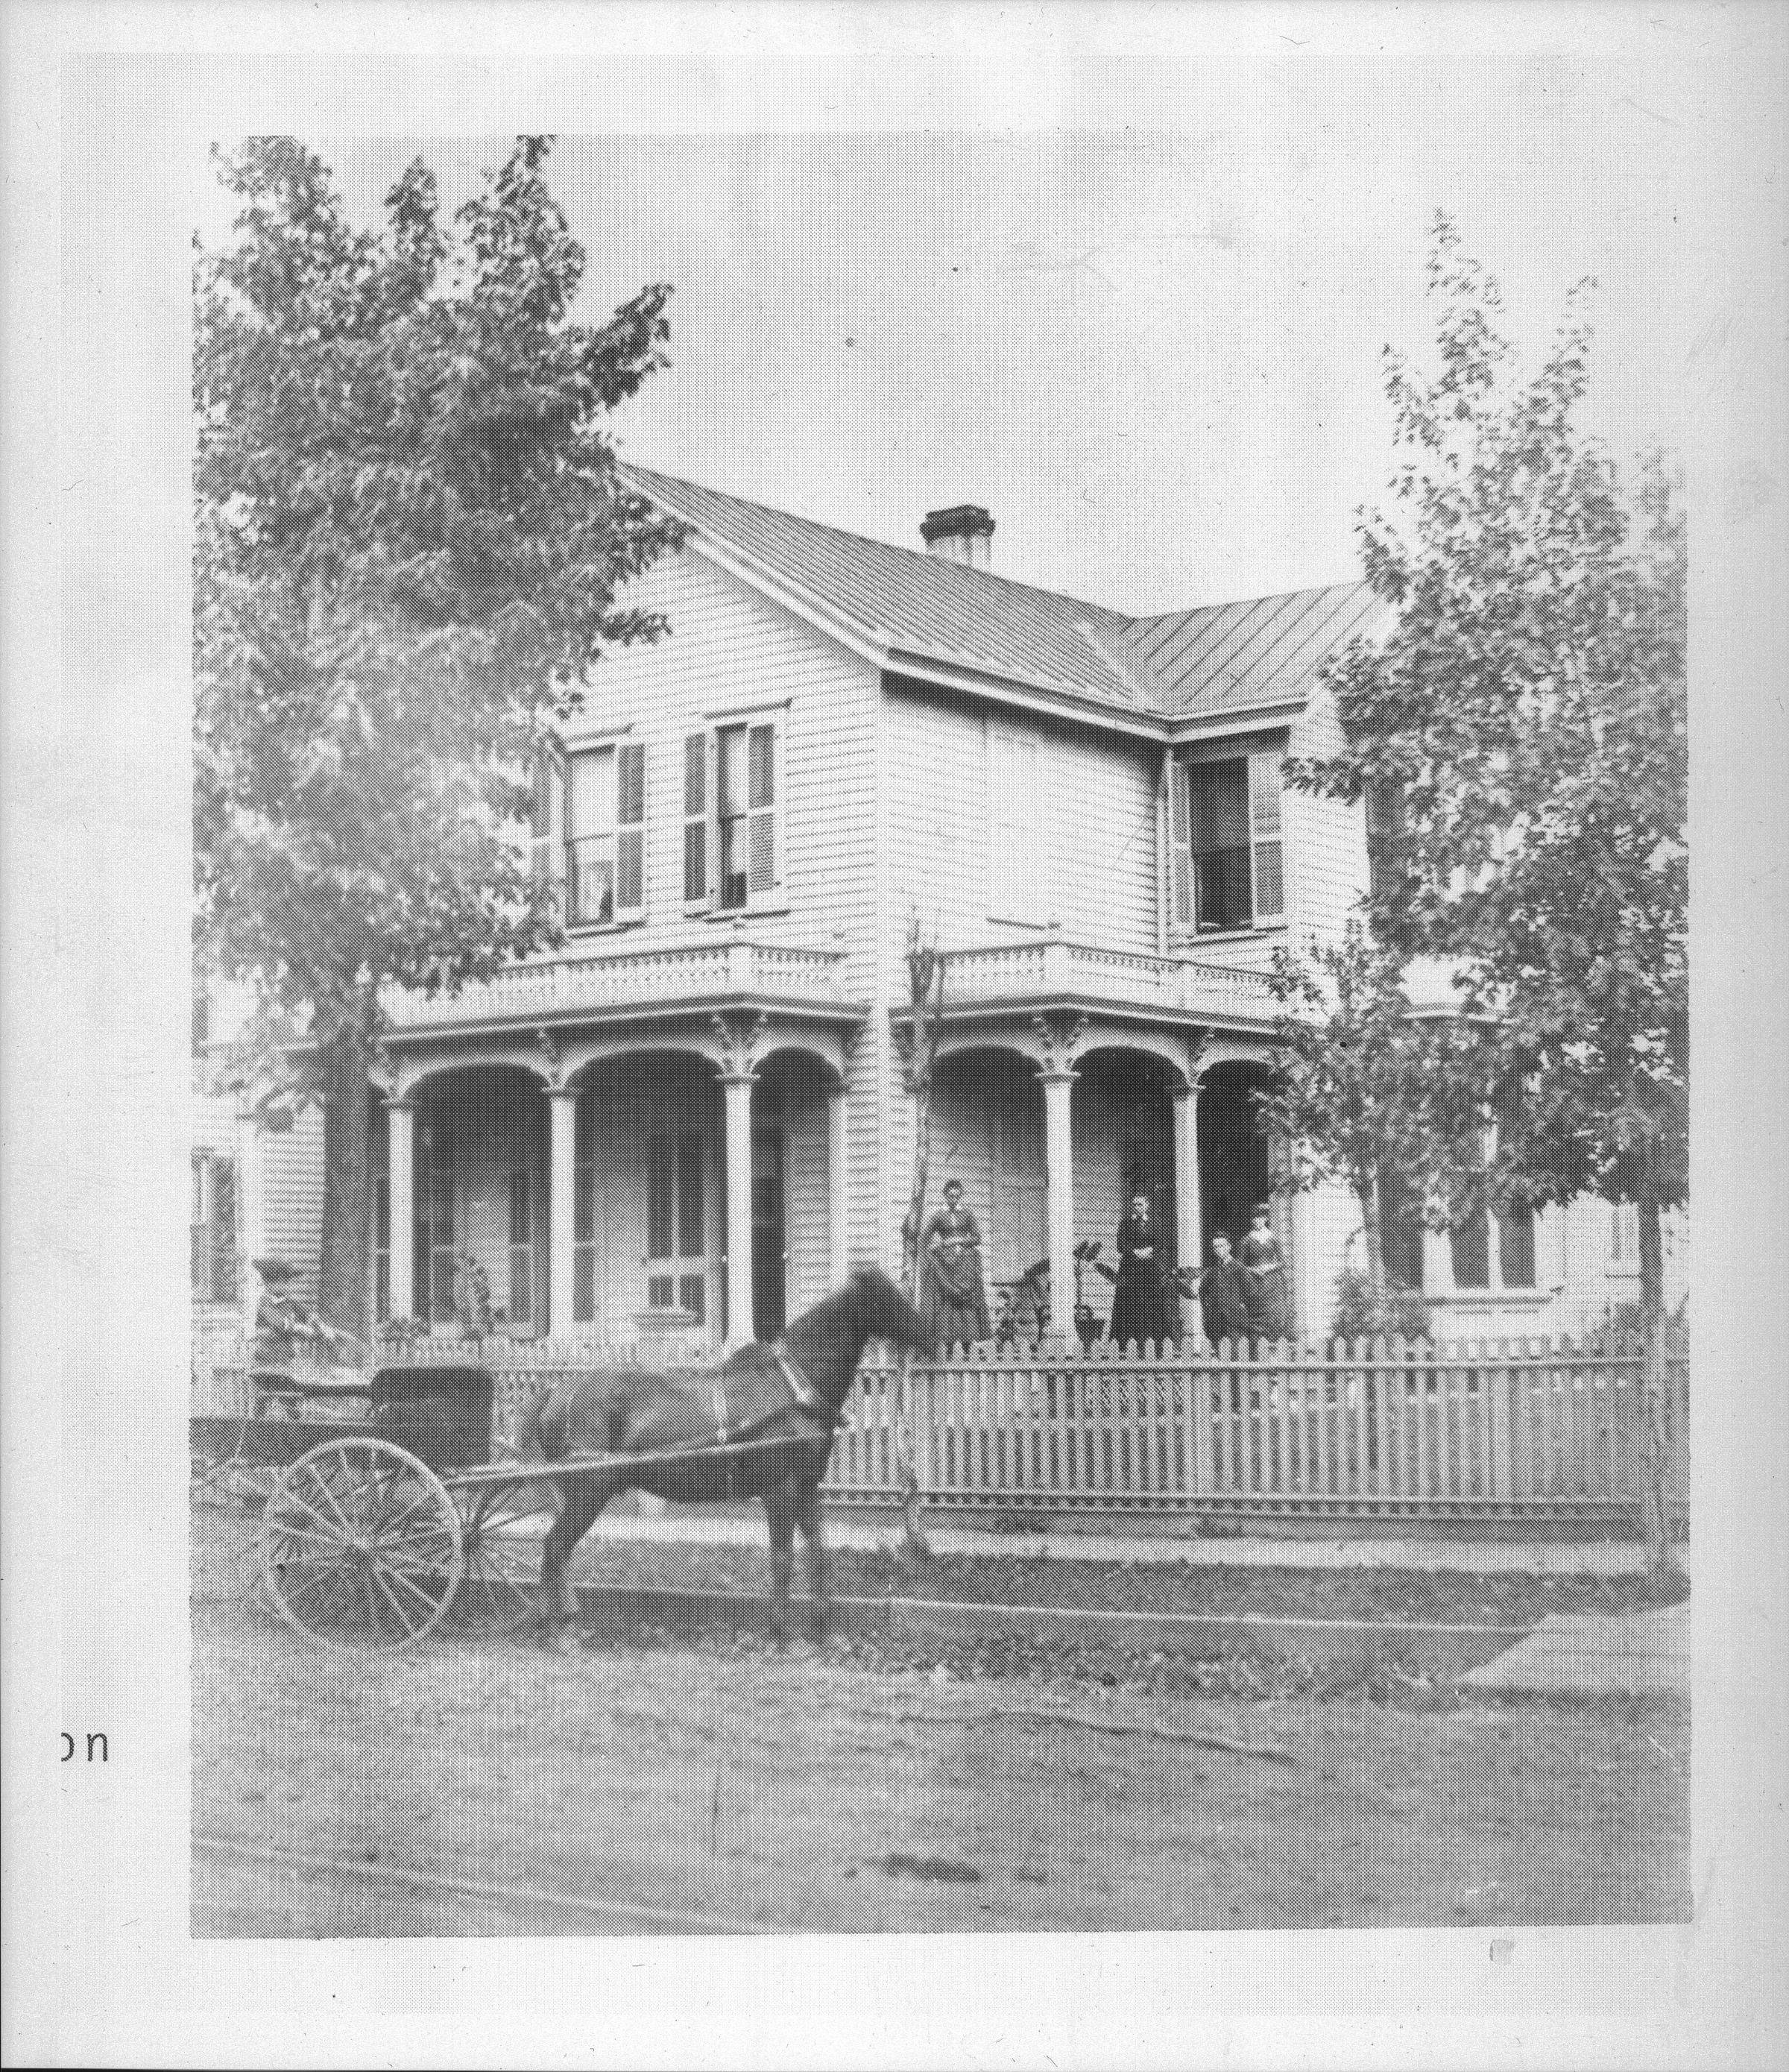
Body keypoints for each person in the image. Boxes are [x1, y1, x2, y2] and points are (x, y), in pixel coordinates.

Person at [919, 1180, 991, 1352]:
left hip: (964, 1263)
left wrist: (958, 1240)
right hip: (945, 1264)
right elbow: (923, 1239)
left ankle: (967, 1345)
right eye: (950, 1196)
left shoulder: (967, 1214)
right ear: (945, 1195)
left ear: (960, 1196)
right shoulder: (938, 1215)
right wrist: (934, 1248)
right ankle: (948, 1345)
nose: (954, 1199)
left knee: (966, 1303)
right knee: (947, 1303)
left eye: (957, 1196)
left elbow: (977, 1238)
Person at [1108, 1191, 1176, 1350]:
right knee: (1130, 1306)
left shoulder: (1155, 1223)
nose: (1137, 1207)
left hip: (1150, 1270)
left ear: (1147, 1205)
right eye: (1135, 1204)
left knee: (1151, 1306)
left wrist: (1150, 1250)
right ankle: (1125, 1345)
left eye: (1140, 1204)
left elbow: (1161, 1242)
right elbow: (1120, 1245)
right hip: (1130, 1270)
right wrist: (1135, 1252)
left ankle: (1156, 1345)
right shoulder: (1125, 1223)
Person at [251, 1257, 327, 1368]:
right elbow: (280, 1324)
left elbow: (307, 1314)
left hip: (285, 1358)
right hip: (266, 1359)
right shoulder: (265, 1303)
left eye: (287, 1282)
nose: (286, 1286)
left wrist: (321, 1326)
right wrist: (302, 1328)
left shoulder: (289, 1301)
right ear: (268, 1283)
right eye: (281, 1282)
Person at [1238, 1203, 1290, 1342]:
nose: (1257, 1221)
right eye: (1255, 1218)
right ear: (1252, 1220)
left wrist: (1269, 1267)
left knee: (1274, 1314)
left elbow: (1283, 1262)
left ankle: (1273, 1343)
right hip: (1254, 1282)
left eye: (1260, 1218)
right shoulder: (1246, 1241)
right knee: (1256, 1314)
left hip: (1272, 1282)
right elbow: (1240, 1265)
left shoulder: (1273, 1238)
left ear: (1265, 1219)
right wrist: (1253, 1269)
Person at [1197, 1231, 1255, 1350]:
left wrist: (1241, 1305)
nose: (1219, 1249)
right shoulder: (1213, 1270)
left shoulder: (1239, 1267)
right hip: (1216, 1321)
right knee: (1220, 1356)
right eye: (1216, 1247)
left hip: (1235, 1320)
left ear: (1229, 1247)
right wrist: (1208, 1309)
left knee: (1236, 1354)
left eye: (1222, 1246)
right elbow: (1202, 1291)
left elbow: (1251, 1291)